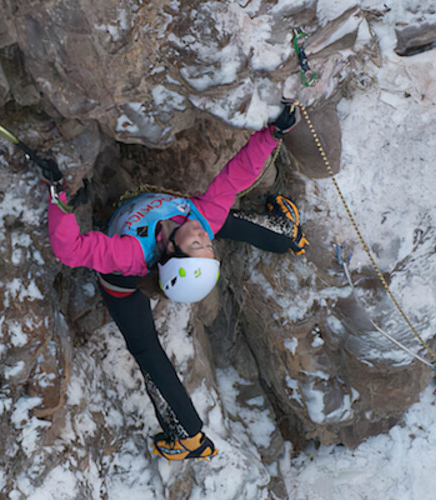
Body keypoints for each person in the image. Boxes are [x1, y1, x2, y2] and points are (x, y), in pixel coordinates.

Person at [46, 103, 306, 461]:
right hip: (163, 232)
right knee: (219, 219)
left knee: (147, 351)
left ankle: (188, 435)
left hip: (122, 287)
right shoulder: (200, 223)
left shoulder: (128, 254)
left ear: (171, 251)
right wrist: (272, 134)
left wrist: (61, 202)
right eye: (205, 247)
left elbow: (72, 250)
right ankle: (286, 234)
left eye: (197, 244)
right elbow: (236, 176)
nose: (202, 236)